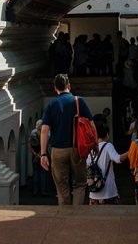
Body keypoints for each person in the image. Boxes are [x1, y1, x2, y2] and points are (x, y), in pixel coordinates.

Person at [41, 73, 95, 206]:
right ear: (69, 86)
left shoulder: (51, 105)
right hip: (77, 148)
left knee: (62, 187)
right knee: (80, 184)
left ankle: (65, 217)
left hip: (58, 150)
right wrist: (95, 144)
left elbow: (44, 130)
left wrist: (43, 154)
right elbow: (91, 124)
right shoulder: (78, 101)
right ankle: (77, 215)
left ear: (55, 88)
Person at [86, 117, 129, 205]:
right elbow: (118, 159)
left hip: (93, 194)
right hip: (108, 193)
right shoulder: (108, 146)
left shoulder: (91, 148)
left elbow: (87, 166)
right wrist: (131, 151)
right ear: (107, 134)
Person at [29, 119, 50, 197]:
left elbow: (30, 144)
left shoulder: (32, 133)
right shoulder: (45, 133)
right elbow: (45, 145)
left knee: (36, 173)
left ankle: (35, 190)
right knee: (44, 173)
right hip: (43, 155)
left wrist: (35, 154)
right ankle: (44, 190)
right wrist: (41, 155)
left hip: (35, 155)